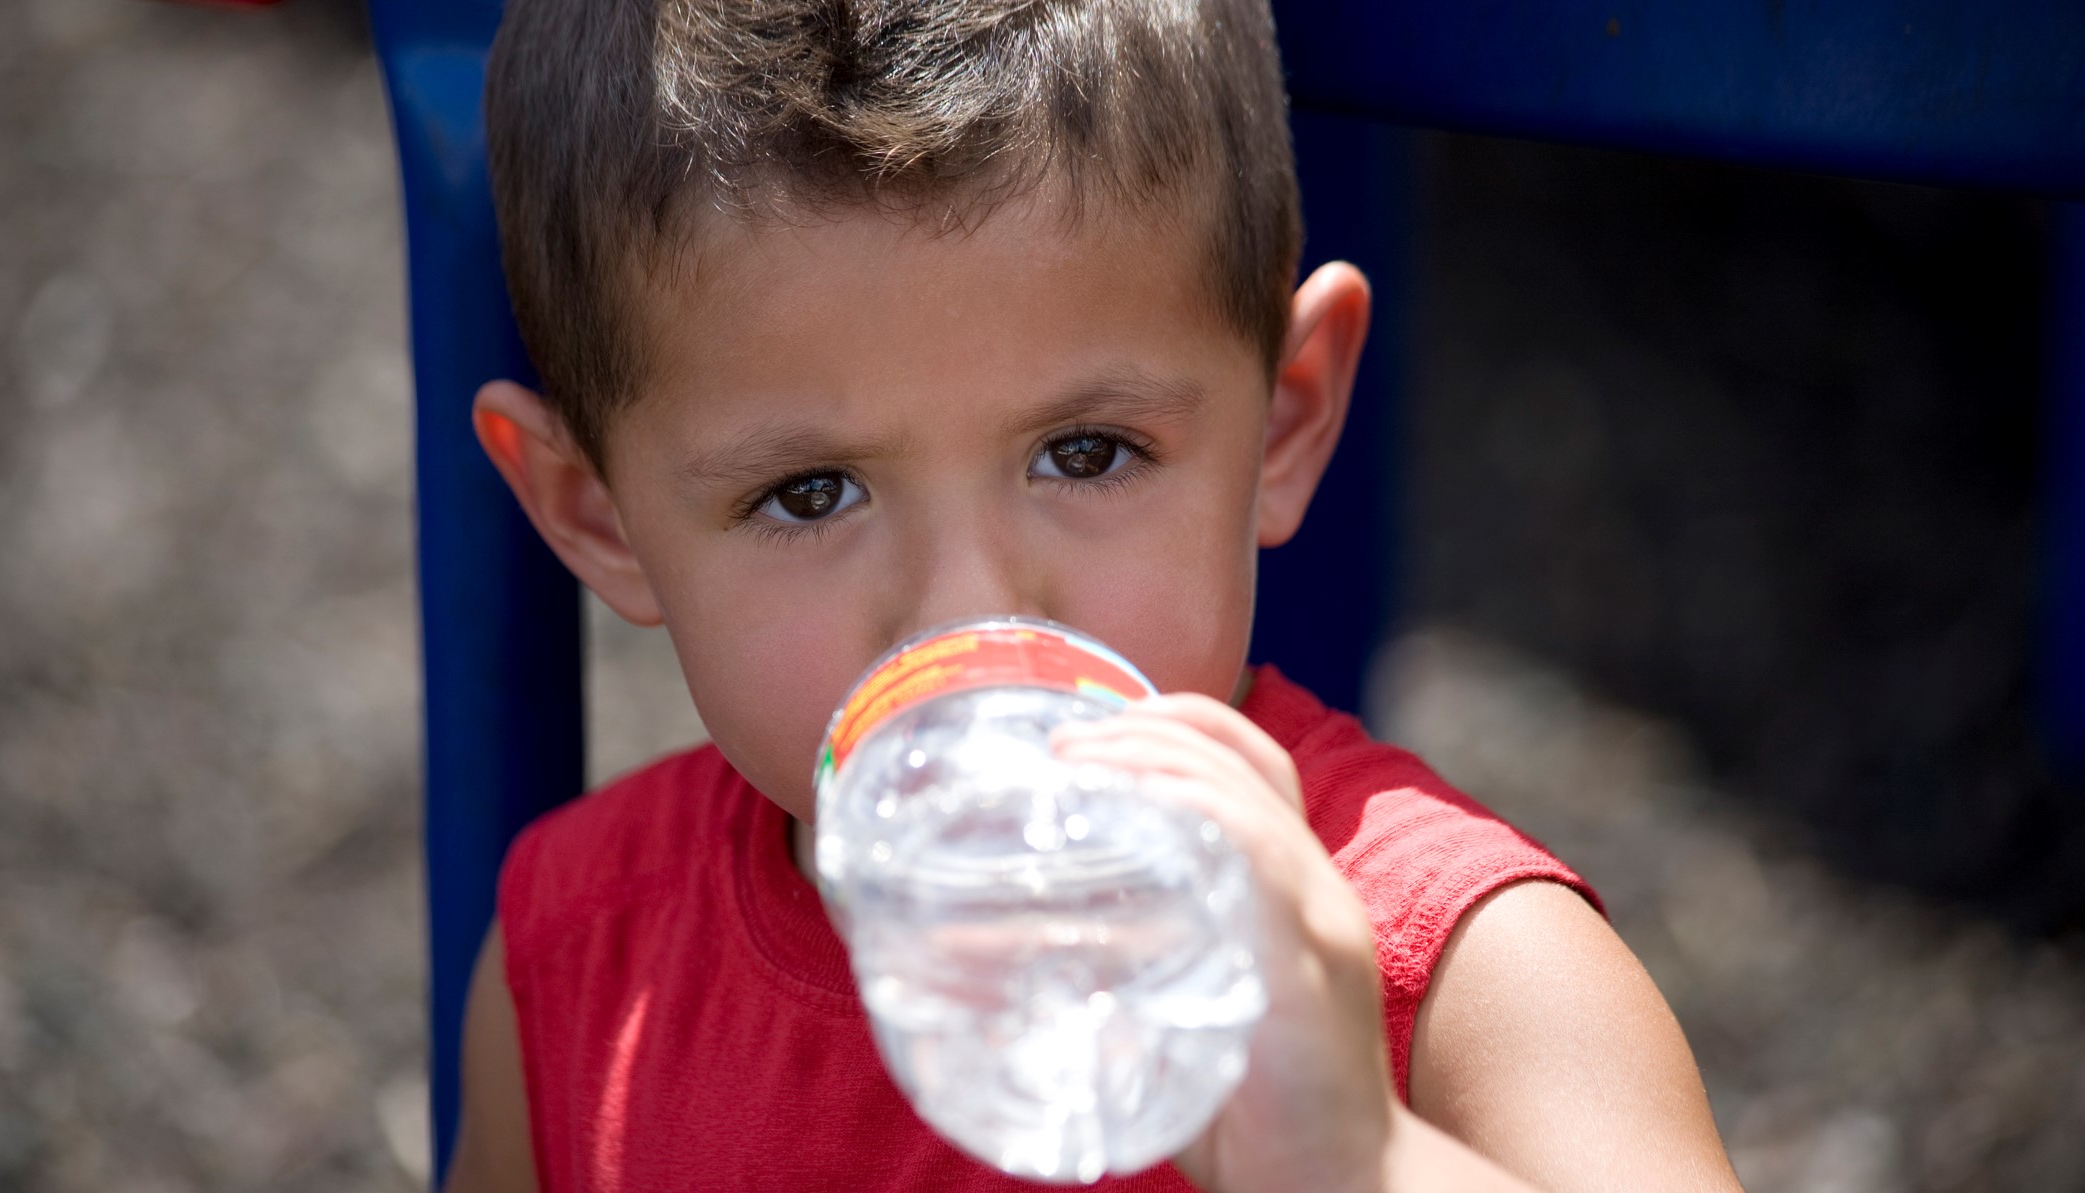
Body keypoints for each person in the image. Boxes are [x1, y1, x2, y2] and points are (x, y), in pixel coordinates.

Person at [442, 1, 1745, 1190]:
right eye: (810, 492)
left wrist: (1359, 1158)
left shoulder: (1457, 976)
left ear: (1280, 423)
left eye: (1084, 452)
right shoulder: (577, 972)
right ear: (593, 513)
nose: (966, 608)